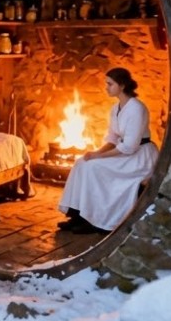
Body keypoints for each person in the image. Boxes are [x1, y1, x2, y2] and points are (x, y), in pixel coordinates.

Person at [57, 68, 158, 234]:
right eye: (107, 83)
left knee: (95, 168)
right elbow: (112, 138)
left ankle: (94, 220)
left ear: (122, 85)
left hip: (139, 156)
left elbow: (129, 146)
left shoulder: (136, 109)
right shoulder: (115, 108)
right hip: (124, 152)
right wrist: (95, 154)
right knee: (82, 163)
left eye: (110, 84)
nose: (106, 87)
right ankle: (77, 215)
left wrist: (99, 157)